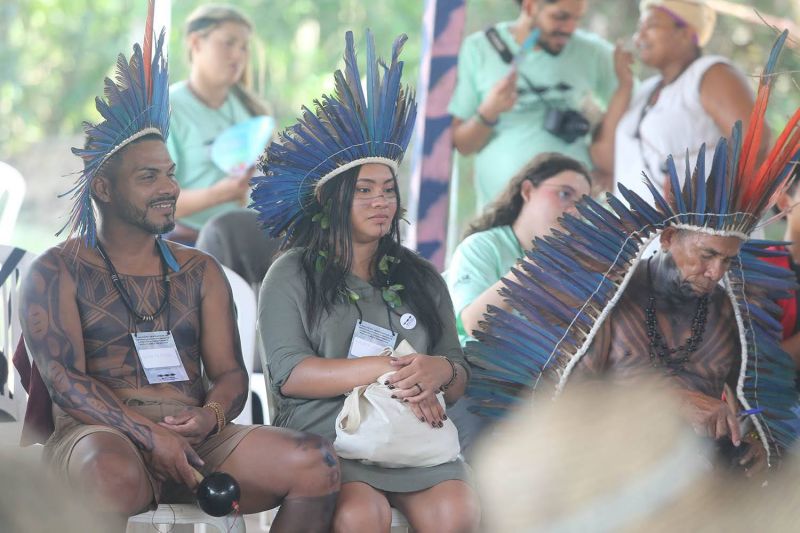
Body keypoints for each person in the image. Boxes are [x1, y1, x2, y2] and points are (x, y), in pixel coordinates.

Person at [18, 11, 338, 531]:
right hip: (98, 436)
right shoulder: (57, 271)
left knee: (316, 464)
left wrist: (209, 416)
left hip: (199, 438)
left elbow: (232, 373)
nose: (169, 188)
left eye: (170, 174)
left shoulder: (201, 271)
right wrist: (150, 436)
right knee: (108, 473)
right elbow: (63, 380)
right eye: (149, 177)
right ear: (103, 188)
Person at [468, 30, 800, 475]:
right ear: (666, 238)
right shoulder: (609, 294)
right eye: (705, 255)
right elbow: (567, 402)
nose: (716, 271)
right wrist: (671, 403)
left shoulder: (729, 312)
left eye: (728, 260)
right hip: (604, 471)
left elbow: (756, 402)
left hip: (696, 476)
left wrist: (758, 440)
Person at [253, 32, 481, 533]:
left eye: (388, 191)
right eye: (364, 191)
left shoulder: (418, 275)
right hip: (330, 437)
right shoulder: (291, 272)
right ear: (333, 200)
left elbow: (458, 374)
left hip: (417, 441)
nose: (382, 202)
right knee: (362, 514)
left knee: (459, 510)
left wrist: (436, 370)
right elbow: (291, 375)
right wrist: (388, 369)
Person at [444, 153, 591, 455]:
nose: (574, 209)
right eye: (564, 194)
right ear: (527, 191)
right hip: (477, 377)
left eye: (584, 204)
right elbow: (476, 324)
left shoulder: (579, 268)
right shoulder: (483, 246)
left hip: (546, 386)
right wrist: (537, 261)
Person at [448, 0, 618, 210]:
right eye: (561, 17)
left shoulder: (593, 52)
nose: (570, 28)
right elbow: (463, 145)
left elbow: (631, 109)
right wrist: (489, 110)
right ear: (530, 7)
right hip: (502, 216)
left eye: (577, 18)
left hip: (576, 219)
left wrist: (609, 166)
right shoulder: (479, 48)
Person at [591, 0, 756, 198]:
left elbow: (756, 142)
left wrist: (708, 213)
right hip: (641, 229)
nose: (638, 37)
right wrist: (624, 86)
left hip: (698, 227)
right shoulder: (646, 90)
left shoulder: (711, 73)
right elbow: (606, 160)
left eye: (650, 26)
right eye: (638, 28)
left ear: (685, 33)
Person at [167, 4, 270, 244]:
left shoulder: (253, 111)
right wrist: (220, 195)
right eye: (228, 43)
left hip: (249, 244)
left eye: (244, 47)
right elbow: (151, 203)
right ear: (196, 43)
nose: (238, 55)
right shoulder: (168, 110)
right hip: (187, 248)